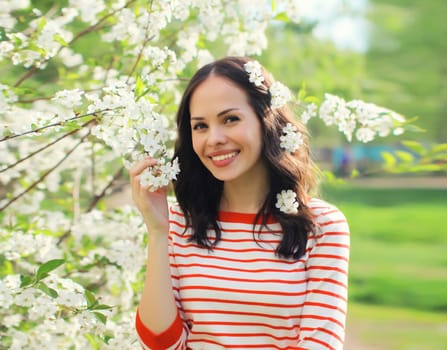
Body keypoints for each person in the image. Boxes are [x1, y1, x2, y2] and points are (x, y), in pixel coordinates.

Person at [130, 56, 350, 350]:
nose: (214, 139)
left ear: (266, 120)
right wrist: (158, 232)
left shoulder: (321, 225)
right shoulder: (178, 223)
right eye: (200, 127)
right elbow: (160, 345)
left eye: (230, 119)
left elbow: (320, 344)